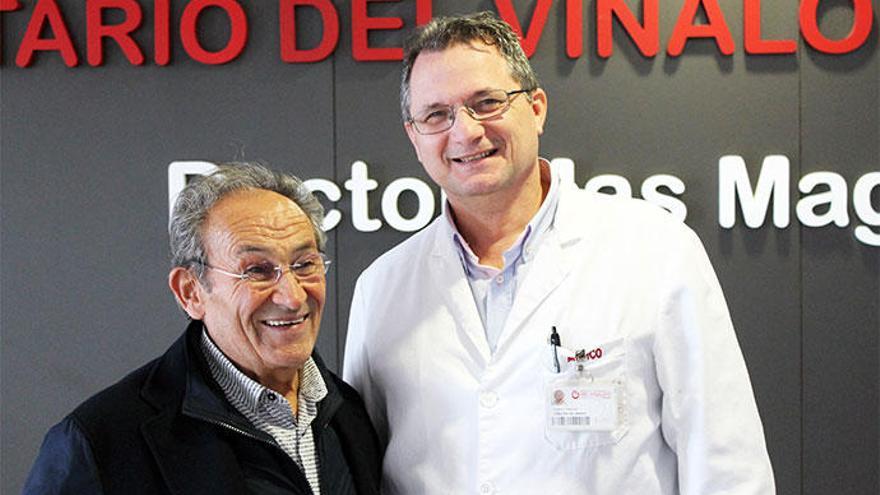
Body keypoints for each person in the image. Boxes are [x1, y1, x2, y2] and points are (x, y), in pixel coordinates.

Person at [343, 11, 775, 494]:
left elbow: (724, 461)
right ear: (414, 136)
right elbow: (361, 468)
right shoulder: (382, 287)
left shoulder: (655, 250)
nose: (465, 132)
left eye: (487, 102)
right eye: (437, 115)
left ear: (537, 108)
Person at [24, 162, 381, 494]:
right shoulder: (101, 443)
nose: (292, 296)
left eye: (304, 264)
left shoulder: (348, 412)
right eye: (257, 271)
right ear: (190, 291)